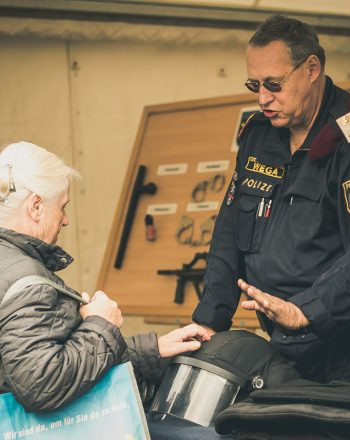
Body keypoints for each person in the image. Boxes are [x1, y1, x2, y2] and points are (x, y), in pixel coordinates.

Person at [192, 15, 350, 383]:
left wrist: (307, 310)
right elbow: (229, 234)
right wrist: (209, 321)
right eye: (254, 84)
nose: (262, 98)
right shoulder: (259, 136)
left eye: (273, 84)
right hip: (291, 348)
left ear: (311, 69)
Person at [0, 140, 210, 412]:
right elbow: (43, 384)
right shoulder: (25, 280)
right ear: (36, 206)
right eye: (62, 207)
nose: (65, 220)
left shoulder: (12, 267)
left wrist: (153, 349)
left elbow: (54, 357)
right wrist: (100, 323)